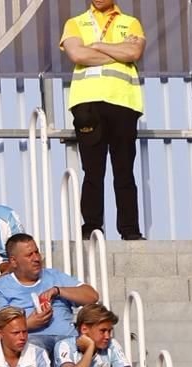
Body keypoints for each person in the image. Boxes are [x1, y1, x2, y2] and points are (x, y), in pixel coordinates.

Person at [61, 0, 145, 241]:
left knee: (124, 171)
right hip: (87, 104)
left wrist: (97, 46)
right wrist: (117, 51)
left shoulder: (130, 23)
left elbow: (134, 52)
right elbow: (77, 53)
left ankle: (130, 230)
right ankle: (91, 227)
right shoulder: (75, 23)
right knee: (93, 170)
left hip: (123, 103)